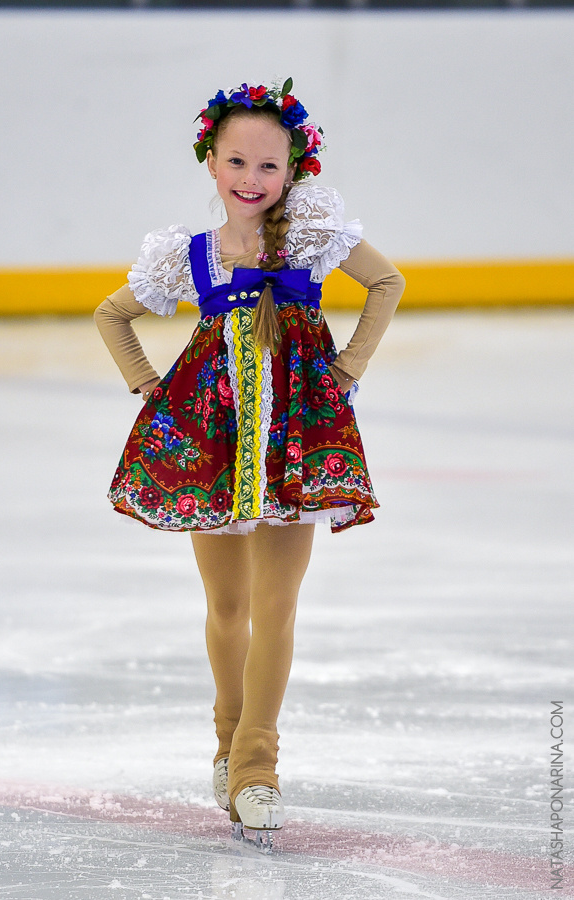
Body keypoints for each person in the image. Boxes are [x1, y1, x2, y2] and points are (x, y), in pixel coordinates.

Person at [94, 78, 405, 849]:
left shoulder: (311, 236)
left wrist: (349, 366)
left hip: (296, 444)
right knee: (228, 608)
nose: (252, 178)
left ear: (294, 168)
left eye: (269, 165)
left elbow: (386, 282)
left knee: (277, 606)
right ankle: (227, 737)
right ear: (211, 161)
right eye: (237, 161)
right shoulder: (189, 256)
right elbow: (112, 314)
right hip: (214, 450)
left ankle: (256, 767)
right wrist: (150, 387)